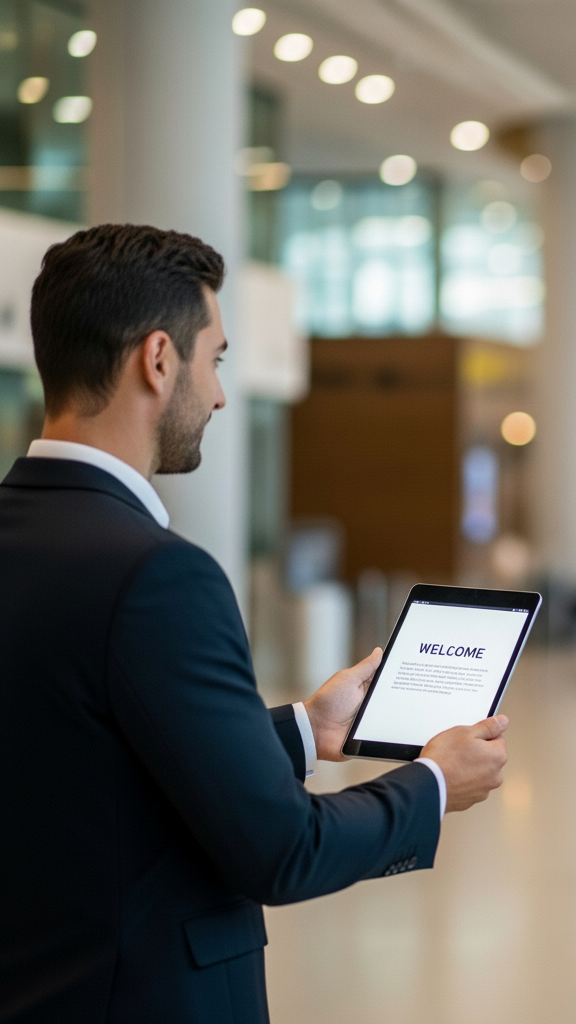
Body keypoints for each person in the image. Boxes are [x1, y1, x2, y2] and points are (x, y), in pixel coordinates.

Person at [0, 224, 510, 1024]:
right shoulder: (158, 575)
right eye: (217, 359)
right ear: (159, 359)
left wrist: (306, 729)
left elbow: (93, 766)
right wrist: (435, 783)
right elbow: (282, 851)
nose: (221, 394)